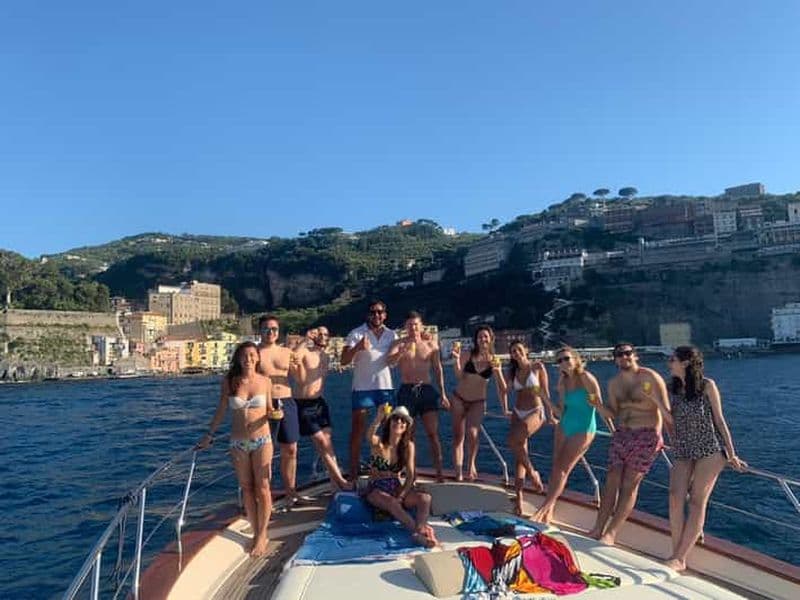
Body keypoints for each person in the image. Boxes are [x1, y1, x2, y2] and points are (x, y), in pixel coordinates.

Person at [665, 346, 747, 572]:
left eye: (672, 359)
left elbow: (719, 421)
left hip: (709, 449)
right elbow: (670, 419)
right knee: (674, 497)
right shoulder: (671, 387)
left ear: (686, 363)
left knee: (696, 501)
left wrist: (731, 454)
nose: (668, 363)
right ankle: (675, 551)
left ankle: (679, 558)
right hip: (683, 448)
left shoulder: (707, 386)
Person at [587, 342, 672, 545]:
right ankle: (598, 528)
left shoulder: (650, 377)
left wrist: (664, 438)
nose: (623, 357)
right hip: (622, 434)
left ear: (635, 355)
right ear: (615, 359)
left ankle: (611, 533)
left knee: (629, 485)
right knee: (610, 483)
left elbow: (667, 412)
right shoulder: (614, 384)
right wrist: (598, 406)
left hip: (646, 436)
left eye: (627, 353)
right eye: (618, 355)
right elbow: (613, 413)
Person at [197, 342, 273, 556]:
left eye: (251, 354)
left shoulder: (266, 381)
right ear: (239, 359)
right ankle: (256, 528)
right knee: (247, 488)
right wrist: (209, 435)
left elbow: (270, 409)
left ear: (257, 358)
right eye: (244, 355)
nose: (248, 358)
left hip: (262, 440)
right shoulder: (230, 382)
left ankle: (262, 534)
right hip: (238, 442)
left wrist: (278, 414)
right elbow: (221, 410)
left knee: (263, 488)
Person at [533, 346, 604, 524]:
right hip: (565, 425)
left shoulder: (587, 378)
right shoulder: (562, 383)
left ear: (575, 359)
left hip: (584, 428)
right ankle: (550, 509)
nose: (563, 363)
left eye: (566, 358)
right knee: (556, 467)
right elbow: (560, 412)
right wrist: (544, 397)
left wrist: (613, 428)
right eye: (559, 361)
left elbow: (599, 406)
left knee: (563, 469)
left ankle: (542, 510)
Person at [387, 312, 450, 482]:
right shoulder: (398, 343)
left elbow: (438, 370)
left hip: (427, 389)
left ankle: (439, 472)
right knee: (408, 435)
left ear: (421, 325)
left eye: (416, 324)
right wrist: (400, 352)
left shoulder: (431, 344)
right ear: (405, 327)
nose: (413, 328)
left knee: (433, 433)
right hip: (407, 391)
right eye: (409, 325)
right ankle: (411, 473)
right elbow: (389, 362)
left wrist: (443, 393)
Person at [363, 405, 437, 547]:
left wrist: (402, 495)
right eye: (395, 419)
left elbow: (409, 476)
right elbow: (369, 435)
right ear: (390, 422)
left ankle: (421, 528)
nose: (399, 422)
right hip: (376, 489)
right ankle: (417, 534)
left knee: (425, 498)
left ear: (407, 426)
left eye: (403, 420)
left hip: (396, 487)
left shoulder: (408, 446)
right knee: (392, 503)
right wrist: (379, 418)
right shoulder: (378, 443)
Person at [341, 300, 398, 481]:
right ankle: (353, 472)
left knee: (388, 430)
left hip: (385, 388)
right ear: (368, 314)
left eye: (380, 312)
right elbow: (343, 360)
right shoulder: (356, 334)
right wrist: (357, 347)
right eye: (373, 312)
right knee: (358, 430)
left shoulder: (392, 335)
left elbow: (393, 361)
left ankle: (387, 468)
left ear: (385, 314)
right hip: (362, 388)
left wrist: (402, 351)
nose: (376, 315)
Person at [291, 326, 351, 490]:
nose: (324, 337)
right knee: (322, 442)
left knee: (326, 444)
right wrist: (305, 339)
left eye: (326, 334)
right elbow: (294, 356)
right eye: (320, 334)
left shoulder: (325, 355)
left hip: (319, 403)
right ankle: (341, 481)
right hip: (303, 404)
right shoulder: (306, 352)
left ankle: (334, 483)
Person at [450, 325, 508, 482]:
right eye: (480, 337)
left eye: (486, 337)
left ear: (490, 339)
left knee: (473, 434)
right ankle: (458, 471)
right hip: (459, 398)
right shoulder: (467, 355)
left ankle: (471, 465)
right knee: (458, 436)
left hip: (478, 401)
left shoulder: (494, 360)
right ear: (476, 340)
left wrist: (498, 371)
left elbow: (502, 388)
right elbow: (459, 376)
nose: (483, 339)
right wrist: (456, 360)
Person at [256, 315, 302, 505]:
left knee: (291, 449)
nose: (271, 332)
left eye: (274, 329)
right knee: (264, 450)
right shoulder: (254, 352)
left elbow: (299, 378)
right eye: (266, 329)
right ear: (260, 331)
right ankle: (264, 495)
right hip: (264, 403)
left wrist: (297, 365)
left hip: (286, 400)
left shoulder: (286, 352)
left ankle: (291, 492)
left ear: (278, 331)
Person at [504, 340, 551, 515]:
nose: (516, 353)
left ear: (526, 350)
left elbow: (544, 392)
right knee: (519, 455)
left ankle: (533, 474)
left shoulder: (537, 367)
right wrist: (496, 373)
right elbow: (505, 390)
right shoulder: (512, 371)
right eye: (513, 351)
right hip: (517, 411)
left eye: (518, 350)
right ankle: (519, 499)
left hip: (535, 411)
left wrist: (550, 414)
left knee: (513, 442)